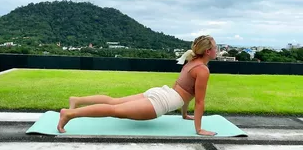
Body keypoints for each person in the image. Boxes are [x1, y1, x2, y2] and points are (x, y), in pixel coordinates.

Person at [57, 35, 218, 136]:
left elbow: (185, 90)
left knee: (114, 102)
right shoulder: (202, 69)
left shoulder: (192, 62)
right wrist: (199, 129)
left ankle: (77, 100)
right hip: (162, 101)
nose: (217, 50)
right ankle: (69, 114)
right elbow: (199, 101)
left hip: (162, 92)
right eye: (215, 47)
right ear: (208, 51)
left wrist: (184, 115)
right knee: (115, 110)